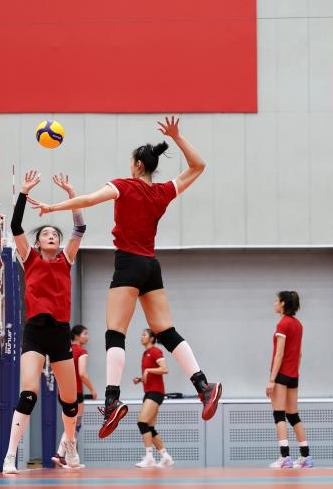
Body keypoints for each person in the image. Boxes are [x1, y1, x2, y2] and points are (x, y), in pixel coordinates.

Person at [30, 116, 221, 439]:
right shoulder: (162, 192)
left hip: (129, 264)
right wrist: (177, 137)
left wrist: (52, 208)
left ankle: (112, 400)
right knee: (166, 331)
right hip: (151, 266)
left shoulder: (124, 186)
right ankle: (203, 386)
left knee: (115, 333)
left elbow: (88, 200)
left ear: (137, 165)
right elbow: (198, 166)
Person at [3, 171, 85, 473]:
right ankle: (10, 455)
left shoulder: (67, 259)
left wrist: (71, 194)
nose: (52, 236)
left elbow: (80, 227)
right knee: (28, 393)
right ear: (37, 242)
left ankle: (70, 444)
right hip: (35, 332)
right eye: (46, 234)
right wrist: (24, 193)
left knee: (70, 400)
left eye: (55, 235)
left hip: (60, 332)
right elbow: (15, 225)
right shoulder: (30, 258)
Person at [267, 291, 312, 469]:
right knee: (293, 415)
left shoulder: (283, 324)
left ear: (283, 304)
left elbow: (279, 354)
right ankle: (306, 457)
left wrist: (272, 380)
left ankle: (285, 457)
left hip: (281, 375)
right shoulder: (298, 325)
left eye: (276, 301)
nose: (274, 303)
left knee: (279, 414)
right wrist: (294, 371)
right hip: (293, 375)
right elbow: (299, 354)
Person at [53, 324, 97, 467]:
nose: (87, 337)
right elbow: (82, 374)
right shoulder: (81, 351)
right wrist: (92, 389)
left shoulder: (65, 349)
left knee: (70, 423)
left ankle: (62, 456)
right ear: (77, 336)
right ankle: (61, 455)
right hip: (76, 392)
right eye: (85, 334)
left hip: (62, 391)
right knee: (75, 424)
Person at [132, 329, 174, 468]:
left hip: (156, 393)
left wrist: (148, 370)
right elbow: (151, 374)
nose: (141, 337)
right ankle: (165, 457)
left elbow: (165, 369)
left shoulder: (155, 351)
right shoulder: (145, 354)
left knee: (142, 422)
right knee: (149, 427)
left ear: (151, 338)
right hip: (149, 392)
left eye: (144, 335)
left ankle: (149, 457)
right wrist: (140, 379)